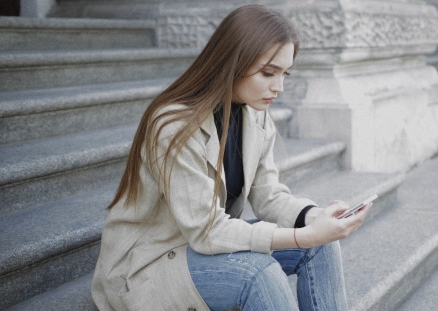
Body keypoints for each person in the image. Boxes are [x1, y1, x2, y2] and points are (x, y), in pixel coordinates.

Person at [91, 4, 371, 311]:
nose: (278, 87)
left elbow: (269, 197)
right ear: (233, 62)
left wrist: (314, 218)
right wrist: (301, 236)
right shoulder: (173, 125)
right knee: (258, 274)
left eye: (283, 73)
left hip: (203, 249)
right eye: (268, 73)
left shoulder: (255, 113)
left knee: (322, 245)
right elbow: (207, 230)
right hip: (151, 264)